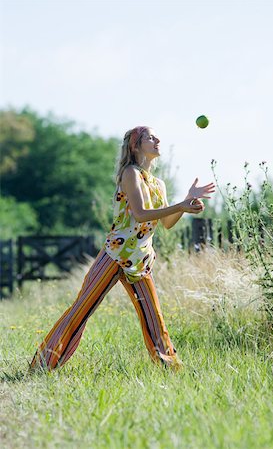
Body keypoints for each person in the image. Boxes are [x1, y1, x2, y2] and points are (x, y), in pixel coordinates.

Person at [30, 125, 215, 371]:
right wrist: (180, 205)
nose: (157, 139)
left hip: (141, 259)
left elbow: (167, 223)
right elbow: (139, 214)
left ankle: (170, 369)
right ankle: (42, 366)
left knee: (154, 318)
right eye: (150, 137)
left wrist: (185, 203)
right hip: (115, 255)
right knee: (81, 310)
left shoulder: (158, 184)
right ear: (135, 146)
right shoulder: (131, 173)